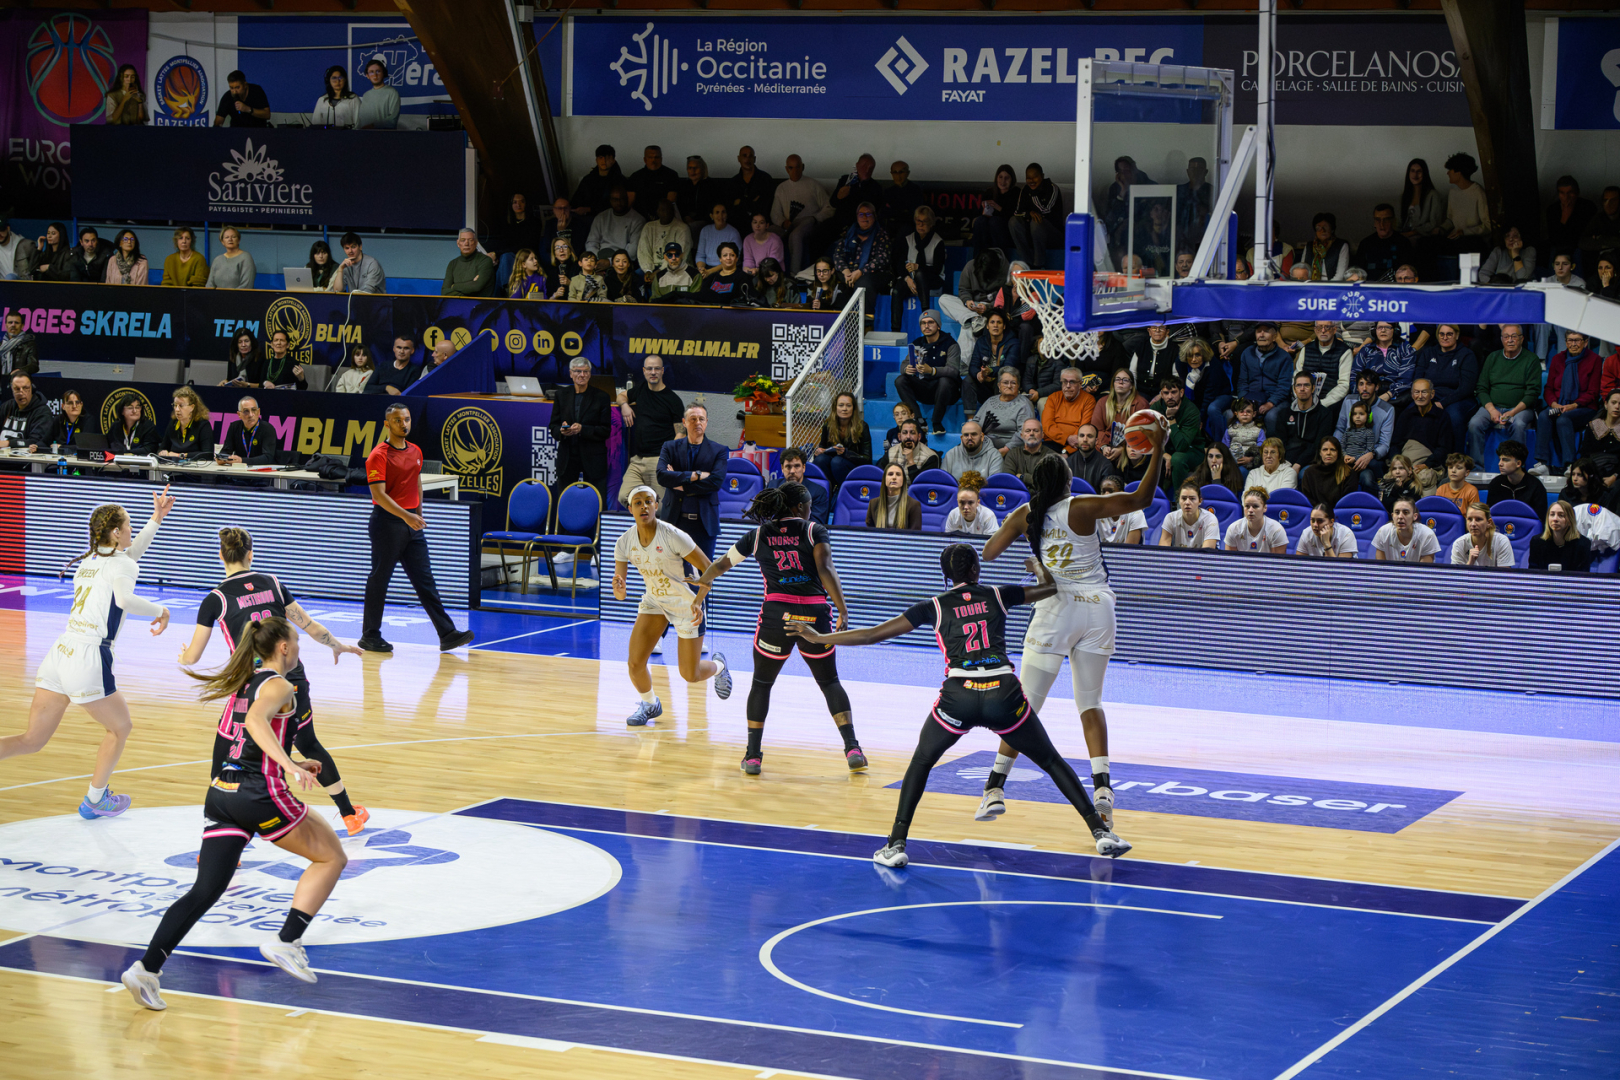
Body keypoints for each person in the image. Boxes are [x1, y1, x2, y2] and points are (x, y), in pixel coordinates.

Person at [795, 545, 1129, 866]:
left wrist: (819, 638)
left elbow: (872, 635)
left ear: (945, 576)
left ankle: (895, 843)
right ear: (976, 570)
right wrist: (1037, 567)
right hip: (1003, 692)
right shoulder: (998, 594)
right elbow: (1049, 588)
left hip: (960, 695)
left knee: (921, 763)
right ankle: (1101, 832)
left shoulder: (935, 606)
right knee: (1052, 761)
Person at [120, 616, 346, 1011]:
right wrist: (288, 768)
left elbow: (244, 738)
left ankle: (146, 968)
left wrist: (291, 759)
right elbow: (257, 722)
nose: (298, 648)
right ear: (283, 648)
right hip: (259, 793)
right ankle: (287, 940)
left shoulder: (245, 683)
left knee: (205, 890)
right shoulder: (279, 684)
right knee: (331, 857)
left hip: (222, 793)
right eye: (296, 641)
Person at [977, 430, 1165, 830]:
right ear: (1067, 481)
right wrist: (1159, 447)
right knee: (1090, 704)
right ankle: (1102, 790)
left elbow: (989, 552)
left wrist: (1032, 559)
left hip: (1056, 607)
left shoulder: (1025, 514)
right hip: (1098, 607)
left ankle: (995, 787)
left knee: (1025, 705)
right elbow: (1141, 500)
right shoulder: (1081, 505)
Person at [1, 491, 174, 819]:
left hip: (60, 653)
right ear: (115, 533)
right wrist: (160, 609)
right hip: (88, 656)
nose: (131, 532)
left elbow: (130, 555)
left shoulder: (90, 559)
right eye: (128, 526)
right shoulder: (120, 563)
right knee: (120, 728)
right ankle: (95, 799)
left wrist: (157, 519)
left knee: (32, 739)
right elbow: (124, 599)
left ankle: (96, 798)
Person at [181, 526, 367, 831]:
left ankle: (215, 832)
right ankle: (349, 815)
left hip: (250, 684)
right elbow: (309, 626)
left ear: (221, 557)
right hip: (290, 679)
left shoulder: (215, 599)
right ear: (250, 555)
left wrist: (183, 655)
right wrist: (338, 646)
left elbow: (193, 658)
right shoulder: (272, 582)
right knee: (308, 743)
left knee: (225, 752)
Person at [691, 484, 859, 776]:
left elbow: (721, 564)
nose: (810, 510)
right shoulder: (813, 530)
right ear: (798, 508)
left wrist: (702, 581)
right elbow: (826, 569)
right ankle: (852, 748)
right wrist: (842, 609)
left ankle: (753, 756)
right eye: (807, 505)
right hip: (814, 614)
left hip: (776, 615)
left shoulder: (758, 535)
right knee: (830, 682)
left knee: (762, 684)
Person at [614, 487, 733, 727]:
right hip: (654, 602)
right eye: (638, 503)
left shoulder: (674, 535)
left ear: (657, 505)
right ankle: (649, 704)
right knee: (635, 664)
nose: (644, 506)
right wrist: (619, 590)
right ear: (631, 509)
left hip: (685, 605)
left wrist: (698, 601)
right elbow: (620, 593)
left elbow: (709, 569)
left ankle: (719, 666)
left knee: (691, 675)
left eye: (649, 501)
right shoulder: (624, 542)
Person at [359, 403, 474, 652]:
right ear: (387, 424)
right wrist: (406, 517)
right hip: (387, 523)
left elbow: (416, 484)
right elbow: (379, 495)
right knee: (380, 579)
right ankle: (370, 635)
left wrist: (417, 515)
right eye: (398, 420)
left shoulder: (416, 451)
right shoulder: (378, 454)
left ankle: (447, 633)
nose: (404, 424)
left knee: (425, 581)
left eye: (407, 419)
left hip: (411, 523)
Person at [657, 403, 727, 560]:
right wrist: (696, 475)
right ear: (684, 422)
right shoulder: (669, 447)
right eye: (693, 419)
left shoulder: (719, 451)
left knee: (704, 575)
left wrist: (680, 483)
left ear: (707, 422)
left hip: (704, 524)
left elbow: (715, 482)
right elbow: (662, 476)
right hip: (674, 520)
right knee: (672, 574)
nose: (698, 423)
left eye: (701, 419)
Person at [616, 354, 685, 508]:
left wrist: (668, 461)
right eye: (649, 369)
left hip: (658, 461)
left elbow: (680, 434)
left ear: (662, 371)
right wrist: (624, 406)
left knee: (660, 507)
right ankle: (644, 524)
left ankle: (653, 528)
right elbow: (620, 396)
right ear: (644, 371)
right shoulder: (640, 390)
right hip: (637, 461)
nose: (653, 372)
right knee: (624, 496)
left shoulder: (673, 400)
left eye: (656, 369)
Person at [548, 357, 611, 509]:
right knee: (565, 502)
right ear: (571, 373)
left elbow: (605, 430)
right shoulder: (561, 395)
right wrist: (562, 431)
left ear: (590, 374)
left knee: (596, 502)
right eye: (578, 371)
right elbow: (553, 427)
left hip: (593, 458)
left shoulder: (602, 397)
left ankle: (596, 532)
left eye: (585, 372)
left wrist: (583, 429)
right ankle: (563, 532)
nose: (582, 375)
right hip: (567, 457)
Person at [1539, 330, 1602, 473]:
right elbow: (1548, 388)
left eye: (1577, 340)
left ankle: (1570, 464)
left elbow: (1593, 393)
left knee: (1563, 420)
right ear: (1566, 342)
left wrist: (1574, 405)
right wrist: (1554, 404)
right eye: (1570, 340)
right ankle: (1542, 463)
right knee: (1544, 415)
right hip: (1559, 405)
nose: (1573, 344)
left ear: (1585, 342)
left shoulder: (1594, 360)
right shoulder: (1557, 359)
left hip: (1583, 407)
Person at [1414, 324, 1479, 450]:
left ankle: (1455, 457)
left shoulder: (1466, 355)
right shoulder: (1428, 352)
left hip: (1459, 398)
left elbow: (1466, 387)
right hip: (1430, 396)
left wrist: (1443, 403)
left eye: (1449, 334)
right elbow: (1418, 379)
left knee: (1453, 416)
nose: (1445, 337)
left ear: (1457, 335)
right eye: (1441, 334)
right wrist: (1426, 399)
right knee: (1410, 411)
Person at [771, 154, 835, 275]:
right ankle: (772, 273)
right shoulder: (781, 188)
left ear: (803, 167)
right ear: (786, 169)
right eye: (791, 168)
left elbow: (829, 207)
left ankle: (794, 275)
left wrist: (815, 218)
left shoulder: (813, 185)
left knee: (796, 235)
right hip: (788, 225)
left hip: (809, 223)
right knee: (769, 233)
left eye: (797, 167)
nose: (794, 171)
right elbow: (775, 213)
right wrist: (783, 222)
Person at [892, 206, 948, 327]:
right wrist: (907, 279)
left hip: (933, 278)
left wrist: (919, 267)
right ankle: (895, 329)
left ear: (931, 223)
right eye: (918, 221)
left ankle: (926, 316)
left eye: (925, 221)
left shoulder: (938, 242)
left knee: (920, 274)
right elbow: (900, 264)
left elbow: (937, 269)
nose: (921, 225)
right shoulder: (908, 239)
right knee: (897, 290)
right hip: (911, 279)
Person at [1333, 371, 1394, 479]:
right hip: (1347, 452)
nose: (1364, 388)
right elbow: (1340, 429)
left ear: (1377, 387)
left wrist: (1371, 454)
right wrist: (1340, 451)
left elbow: (1384, 444)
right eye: (1361, 384)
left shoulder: (1387, 410)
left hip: (1369, 455)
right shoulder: (1348, 401)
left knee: (1368, 476)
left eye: (1369, 384)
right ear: (1357, 387)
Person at [1240, 323, 1294, 436]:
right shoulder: (1247, 353)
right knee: (1231, 414)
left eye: (1266, 331)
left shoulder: (1284, 357)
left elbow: (1284, 386)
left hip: (1277, 400)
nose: (1262, 335)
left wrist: (1271, 403)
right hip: (1252, 397)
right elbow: (1242, 382)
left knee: (1271, 416)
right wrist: (1244, 403)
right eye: (1259, 332)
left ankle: (1271, 450)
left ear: (1275, 337)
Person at [831, 202, 892, 301]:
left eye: (868, 214)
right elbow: (838, 255)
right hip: (849, 272)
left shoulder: (881, 234)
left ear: (874, 216)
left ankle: (865, 316)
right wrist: (846, 272)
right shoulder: (850, 233)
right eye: (861, 214)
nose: (864, 217)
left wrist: (860, 272)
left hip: (871, 273)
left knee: (863, 285)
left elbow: (882, 259)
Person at [812, 391, 873, 488]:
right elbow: (823, 448)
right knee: (820, 460)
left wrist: (846, 453)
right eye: (841, 405)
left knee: (837, 461)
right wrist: (818, 452)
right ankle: (829, 490)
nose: (844, 409)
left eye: (848, 405)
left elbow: (867, 459)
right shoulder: (827, 425)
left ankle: (844, 490)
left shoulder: (862, 426)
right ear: (835, 408)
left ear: (853, 408)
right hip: (833, 464)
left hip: (853, 466)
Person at [1091, 368, 1149, 467]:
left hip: (1130, 448)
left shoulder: (1141, 404)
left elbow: (1142, 434)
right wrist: (1103, 447)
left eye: (1125, 380)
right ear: (1113, 384)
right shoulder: (1102, 402)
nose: (1120, 382)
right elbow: (1096, 430)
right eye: (1117, 379)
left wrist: (1123, 450)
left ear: (1131, 386)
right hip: (1105, 446)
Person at [1351, 322, 1417, 408]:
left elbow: (1406, 379)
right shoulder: (1366, 349)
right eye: (1380, 328)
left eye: (1387, 327)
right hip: (1368, 390)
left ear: (1395, 330)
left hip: (1395, 394)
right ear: (1375, 331)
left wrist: (1389, 394)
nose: (1383, 330)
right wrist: (1362, 394)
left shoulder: (1405, 348)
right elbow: (1354, 376)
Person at [1011, 163, 1063, 269]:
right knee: (1013, 221)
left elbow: (1045, 210)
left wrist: (1033, 193)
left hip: (1053, 234)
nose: (1031, 180)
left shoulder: (1052, 188)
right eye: (1028, 178)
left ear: (1042, 176)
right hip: (1032, 232)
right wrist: (1029, 213)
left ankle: (1039, 265)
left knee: (1036, 222)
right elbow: (1017, 213)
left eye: (1034, 176)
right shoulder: (1025, 190)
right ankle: (1026, 263)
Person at [1486, 440, 1550, 524]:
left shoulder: (1536, 486)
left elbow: (1540, 521)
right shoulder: (1496, 484)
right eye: (1500, 459)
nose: (1500, 463)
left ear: (1518, 463)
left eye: (1505, 460)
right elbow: (1489, 516)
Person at [1439, 152, 1491, 252]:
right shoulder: (1453, 192)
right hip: (1456, 239)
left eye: (1450, 170)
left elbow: (1487, 225)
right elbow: (1450, 220)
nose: (1448, 173)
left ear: (1458, 173)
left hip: (1473, 241)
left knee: (1465, 245)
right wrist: (1440, 229)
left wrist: (1464, 232)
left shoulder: (1478, 192)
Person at [976, 365, 1037, 451]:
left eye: (1013, 383)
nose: (1009, 386)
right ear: (999, 385)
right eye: (1005, 382)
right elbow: (976, 422)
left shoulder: (1024, 404)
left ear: (1018, 386)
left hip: (1012, 451)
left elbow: (1025, 432)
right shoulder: (990, 401)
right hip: (984, 446)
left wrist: (1006, 449)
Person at [1042, 367, 1099, 453]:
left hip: (1076, 445)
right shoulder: (1053, 398)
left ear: (1080, 384)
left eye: (1072, 382)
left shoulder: (1089, 400)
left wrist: (1067, 451)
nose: (1068, 386)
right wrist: (1067, 438)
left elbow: (1083, 428)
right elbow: (1048, 426)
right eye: (1065, 381)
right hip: (1052, 442)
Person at [573, 144, 627, 229]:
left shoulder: (620, 181)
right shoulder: (588, 179)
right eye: (601, 157)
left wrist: (589, 209)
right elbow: (576, 199)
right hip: (585, 217)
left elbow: (618, 205)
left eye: (608, 158)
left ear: (613, 160)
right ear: (596, 160)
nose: (604, 161)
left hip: (610, 219)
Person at [1372, 496, 1440, 563]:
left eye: (1406, 512)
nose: (1400, 516)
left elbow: (1424, 571)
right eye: (1397, 512)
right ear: (1392, 516)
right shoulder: (1383, 532)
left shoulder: (1427, 535)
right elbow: (1381, 568)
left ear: (1414, 516)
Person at [1529, 500, 1592, 571]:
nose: (1555, 519)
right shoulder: (1537, 542)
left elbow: (1582, 577)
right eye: (1552, 514)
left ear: (1570, 520)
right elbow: (1533, 572)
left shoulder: (1583, 544)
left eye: (1561, 515)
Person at [772, 448, 829, 524]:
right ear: (782, 468)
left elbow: (815, 525)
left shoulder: (818, 492)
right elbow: (764, 516)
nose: (792, 471)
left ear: (803, 468)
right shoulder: (772, 486)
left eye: (797, 466)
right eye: (788, 466)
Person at [1299, 436, 1359, 509]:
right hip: (1316, 515)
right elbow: (1307, 500)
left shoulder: (1349, 472)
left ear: (1338, 453)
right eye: (1325, 449)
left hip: (1339, 515)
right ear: (1320, 453)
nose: (1328, 453)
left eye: (1333, 450)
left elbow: (1348, 501)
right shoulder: (1309, 472)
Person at [1358, 203, 1414, 281]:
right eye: (1378, 220)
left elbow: (1408, 274)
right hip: (1369, 290)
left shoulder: (1403, 243)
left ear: (1393, 221)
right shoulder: (1365, 244)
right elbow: (1358, 273)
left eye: (1386, 220)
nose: (1381, 224)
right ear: (1374, 222)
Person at [637, 199, 691, 279]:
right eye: (662, 210)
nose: (666, 213)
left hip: (676, 268)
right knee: (637, 277)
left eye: (668, 210)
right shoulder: (649, 227)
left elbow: (679, 256)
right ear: (657, 211)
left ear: (673, 211)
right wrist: (648, 270)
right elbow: (643, 251)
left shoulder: (682, 228)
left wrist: (659, 272)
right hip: (652, 267)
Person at [1450, 502, 1515, 567]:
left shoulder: (1501, 541)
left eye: (1478, 519)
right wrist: (1470, 563)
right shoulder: (1459, 544)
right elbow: (1457, 576)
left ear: (1489, 522)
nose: (1473, 524)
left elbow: (1504, 575)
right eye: (1469, 519)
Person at [972, 164, 1018, 256]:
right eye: (1000, 177)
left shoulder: (1016, 192)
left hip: (1006, 231)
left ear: (1012, 179)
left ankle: (998, 258)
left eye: (1006, 178)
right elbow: (980, 215)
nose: (1003, 181)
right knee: (980, 221)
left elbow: (1015, 215)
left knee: (994, 221)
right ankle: (978, 258)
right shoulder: (990, 192)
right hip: (988, 230)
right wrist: (984, 209)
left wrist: (999, 208)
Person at [219, 397, 280, 465]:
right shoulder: (234, 427)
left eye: (254, 410)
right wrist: (221, 458)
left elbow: (268, 457)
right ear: (239, 414)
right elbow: (226, 451)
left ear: (258, 412)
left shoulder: (267, 429)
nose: (251, 415)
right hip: (239, 471)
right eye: (246, 411)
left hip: (261, 472)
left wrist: (242, 461)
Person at [1002, 417, 1060, 489]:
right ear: (1021, 436)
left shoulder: (1053, 457)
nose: (1031, 433)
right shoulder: (1013, 454)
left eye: (1036, 431)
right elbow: (1008, 481)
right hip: (1019, 498)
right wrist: (1035, 480)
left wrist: (1023, 477)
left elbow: (1049, 485)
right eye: (1027, 431)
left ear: (1042, 435)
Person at [1159, 481, 1220, 549]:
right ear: (1179, 500)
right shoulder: (1170, 518)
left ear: (1200, 501)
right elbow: (1163, 550)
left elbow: (1207, 554)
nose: (1187, 502)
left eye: (1192, 499)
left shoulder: (1210, 519)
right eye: (1184, 498)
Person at [586, 187, 645, 257]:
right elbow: (591, 243)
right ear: (610, 200)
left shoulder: (638, 220)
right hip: (600, 258)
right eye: (615, 200)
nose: (619, 203)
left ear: (627, 199)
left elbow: (633, 251)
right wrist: (596, 259)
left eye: (622, 199)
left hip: (623, 262)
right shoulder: (601, 217)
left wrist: (611, 262)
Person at [158, 387, 214, 458]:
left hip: (194, 467)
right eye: (175, 405)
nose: (177, 409)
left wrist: (180, 455)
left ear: (192, 407)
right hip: (172, 466)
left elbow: (208, 454)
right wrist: (163, 452)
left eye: (181, 406)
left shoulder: (203, 425)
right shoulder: (172, 424)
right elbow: (161, 448)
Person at [1093, 475, 1147, 543]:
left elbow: (1130, 550)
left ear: (1121, 494)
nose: (1106, 495)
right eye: (1103, 491)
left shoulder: (1135, 513)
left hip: (1126, 553)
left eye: (1111, 491)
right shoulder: (1095, 513)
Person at [865, 463, 921, 529]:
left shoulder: (914, 505)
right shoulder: (873, 503)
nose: (894, 477)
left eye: (898, 474)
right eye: (890, 474)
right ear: (884, 479)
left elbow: (914, 535)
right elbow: (870, 532)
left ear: (903, 480)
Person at [627, 144, 680, 214]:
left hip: (664, 217)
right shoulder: (635, 177)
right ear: (645, 159)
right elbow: (629, 202)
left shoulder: (671, 175)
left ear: (661, 159)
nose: (653, 160)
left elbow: (670, 202)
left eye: (656, 157)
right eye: (650, 157)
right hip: (640, 218)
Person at [443, 228, 496, 297]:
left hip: (480, 306)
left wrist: (454, 286)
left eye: (470, 240)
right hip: (456, 305)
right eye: (463, 240)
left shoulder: (485, 261)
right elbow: (444, 292)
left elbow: (476, 287)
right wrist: (471, 286)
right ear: (458, 243)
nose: (466, 243)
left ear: (476, 243)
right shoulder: (452, 264)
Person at [886, 418, 941, 483]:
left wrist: (911, 462)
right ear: (899, 436)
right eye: (905, 433)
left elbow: (923, 485)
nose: (908, 436)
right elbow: (880, 476)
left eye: (912, 433)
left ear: (919, 437)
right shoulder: (891, 452)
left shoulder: (930, 457)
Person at [695, 202, 741, 277]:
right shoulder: (705, 230)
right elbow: (700, 255)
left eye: (723, 212)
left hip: (727, 270)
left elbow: (734, 259)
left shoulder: (733, 233)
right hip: (707, 268)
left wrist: (710, 272)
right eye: (717, 212)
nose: (720, 215)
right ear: (711, 216)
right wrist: (701, 270)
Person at [1301, 212, 1350, 281]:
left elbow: (1340, 275)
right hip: (1310, 284)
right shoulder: (1309, 246)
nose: (1322, 230)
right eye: (1318, 227)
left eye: (1326, 227)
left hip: (1331, 286)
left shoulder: (1341, 245)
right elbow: (1302, 269)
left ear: (1332, 229)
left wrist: (1327, 287)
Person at [206, 225, 256, 289]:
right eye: (227, 237)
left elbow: (247, 285)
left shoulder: (246, 258)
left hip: (238, 297)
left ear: (238, 240)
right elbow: (209, 284)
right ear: (222, 242)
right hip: (216, 297)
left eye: (233, 237)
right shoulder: (217, 260)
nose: (230, 239)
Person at [358, 57, 400, 129]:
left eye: (378, 71)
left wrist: (373, 126)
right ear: (367, 76)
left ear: (383, 73)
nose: (375, 75)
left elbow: (392, 121)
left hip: (385, 137)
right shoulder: (366, 95)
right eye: (371, 72)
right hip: (366, 137)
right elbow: (362, 120)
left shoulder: (392, 93)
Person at [0, 311, 37, 377]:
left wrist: (20, 371)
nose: (13, 325)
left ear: (22, 326)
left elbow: (33, 366)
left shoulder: (29, 344)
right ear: (6, 325)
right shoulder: (1, 345)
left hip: (20, 381)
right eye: (10, 322)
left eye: (16, 323)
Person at [0, 216, 35, 281]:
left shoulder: (25, 245)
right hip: (2, 286)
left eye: (1, 230)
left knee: (10, 277)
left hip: (20, 285)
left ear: (8, 228)